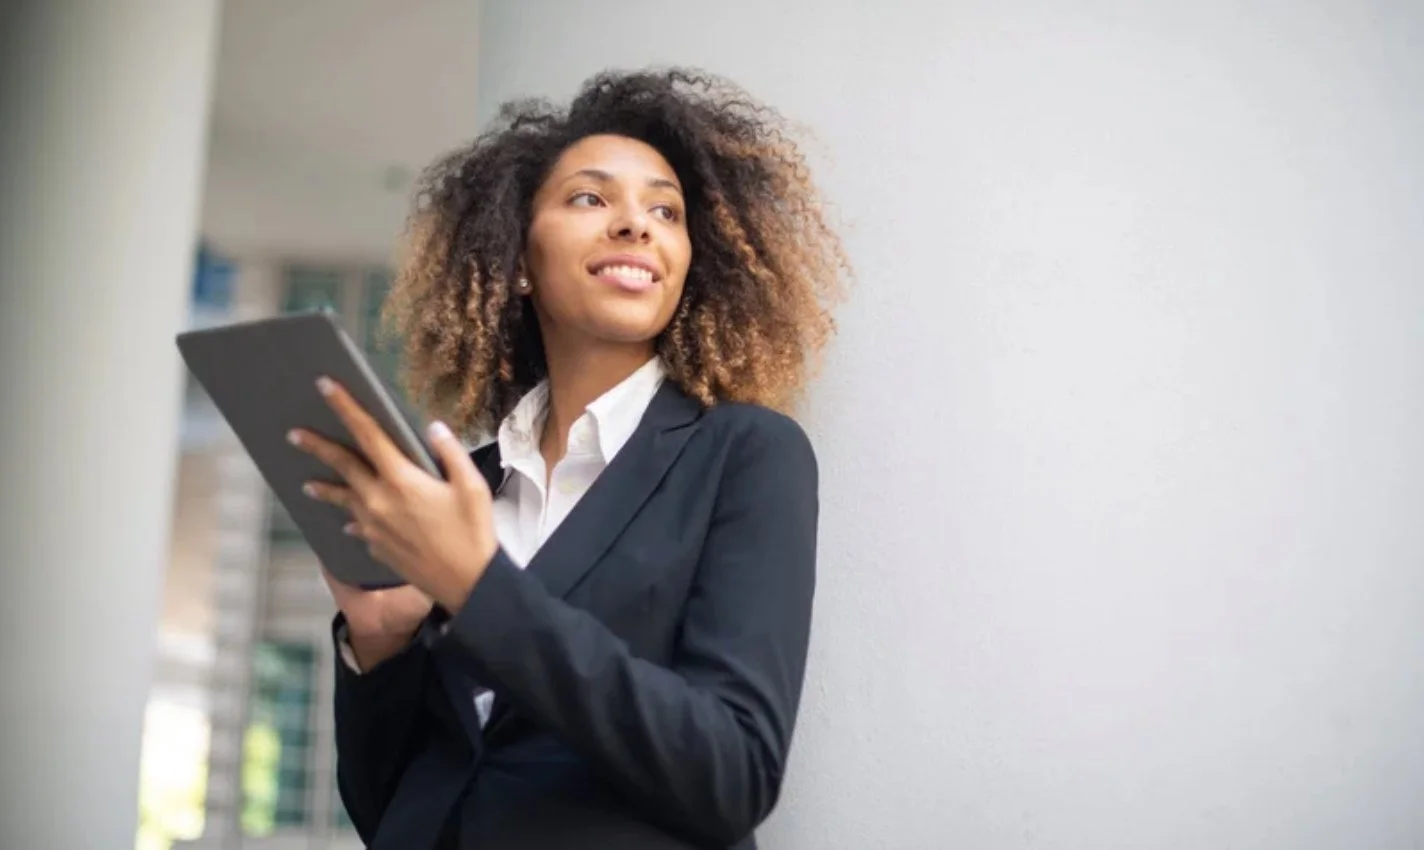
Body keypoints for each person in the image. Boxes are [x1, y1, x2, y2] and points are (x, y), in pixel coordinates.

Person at [286, 68, 849, 849]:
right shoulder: (463, 488)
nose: (635, 224)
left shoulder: (745, 454)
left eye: (666, 210)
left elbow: (734, 774)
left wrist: (477, 589)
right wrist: (380, 644)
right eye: (590, 198)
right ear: (515, 260)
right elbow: (397, 811)